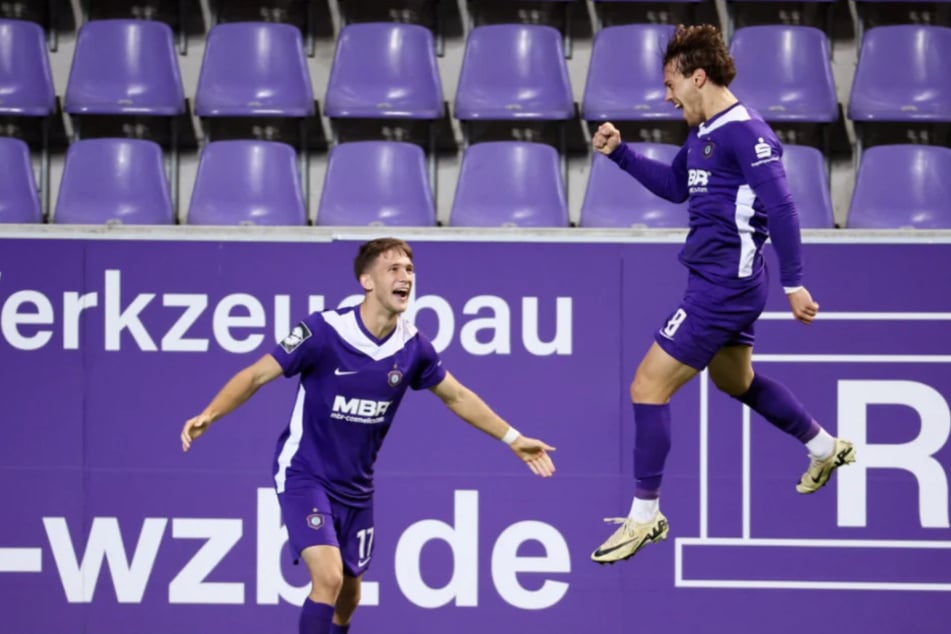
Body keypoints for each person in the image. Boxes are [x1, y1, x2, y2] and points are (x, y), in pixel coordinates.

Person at [181, 238, 556, 633]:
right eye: (393, 268)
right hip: (304, 473)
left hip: (356, 488)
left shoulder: (414, 348)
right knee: (327, 578)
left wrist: (513, 437)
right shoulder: (323, 331)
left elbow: (457, 396)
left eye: (409, 270)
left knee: (349, 597)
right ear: (367, 280)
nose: (405, 276)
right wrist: (211, 412)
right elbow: (257, 373)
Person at [589, 24, 855, 564]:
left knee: (647, 387)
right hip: (723, 282)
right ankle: (825, 447)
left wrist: (795, 281)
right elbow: (675, 188)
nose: (667, 96)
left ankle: (645, 516)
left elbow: (781, 207)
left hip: (722, 288)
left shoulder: (745, 132)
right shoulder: (705, 131)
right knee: (736, 380)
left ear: (698, 76)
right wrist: (621, 155)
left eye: (671, 84)